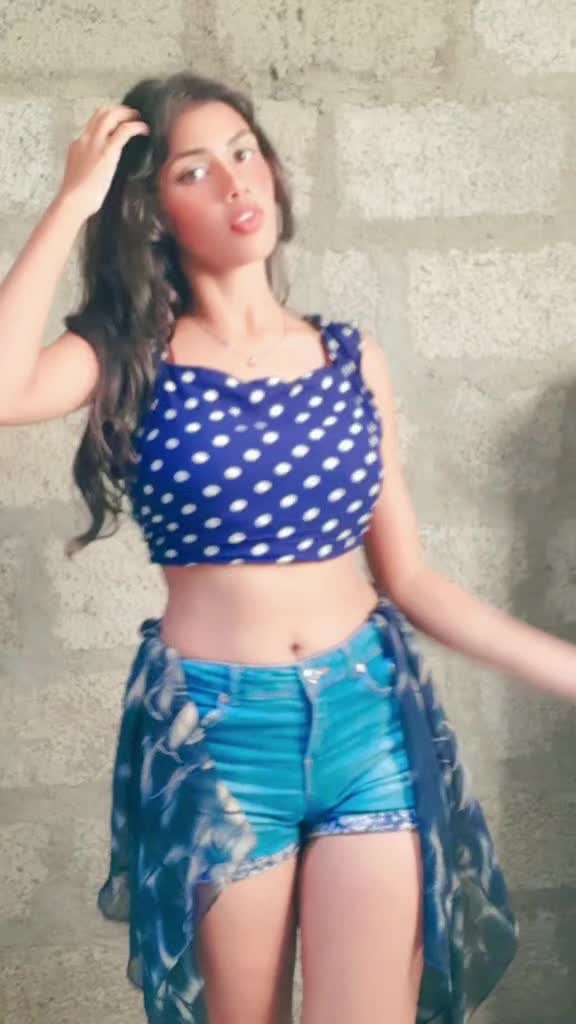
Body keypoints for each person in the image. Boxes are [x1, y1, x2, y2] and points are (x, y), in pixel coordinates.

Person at [1, 69, 576, 1024]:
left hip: (368, 718)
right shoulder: (130, 357)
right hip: (221, 738)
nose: (236, 181)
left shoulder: (349, 356)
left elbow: (411, 579)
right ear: (151, 212)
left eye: (244, 152)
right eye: (194, 170)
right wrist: (75, 199)